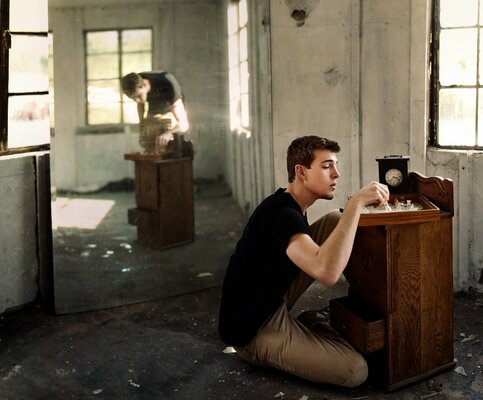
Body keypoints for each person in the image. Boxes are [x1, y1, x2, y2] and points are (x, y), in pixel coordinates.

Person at [218, 135, 390, 387]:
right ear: (301, 171)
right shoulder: (283, 215)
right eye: (326, 166)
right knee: (355, 371)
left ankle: (312, 327)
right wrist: (355, 204)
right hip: (253, 329)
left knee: (334, 220)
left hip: (270, 297)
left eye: (335, 165)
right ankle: (311, 328)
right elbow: (327, 273)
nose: (336, 174)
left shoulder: (288, 203)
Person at [121, 71, 190, 152]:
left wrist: (169, 134)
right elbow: (140, 105)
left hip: (171, 111)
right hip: (154, 110)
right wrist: (142, 128)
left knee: (169, 144)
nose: (137, 101)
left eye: (139, 96)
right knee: (147, 142)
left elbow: (184, 124)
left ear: (144, 84)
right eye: (133, 99)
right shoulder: (136, 81)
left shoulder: (168, 84)